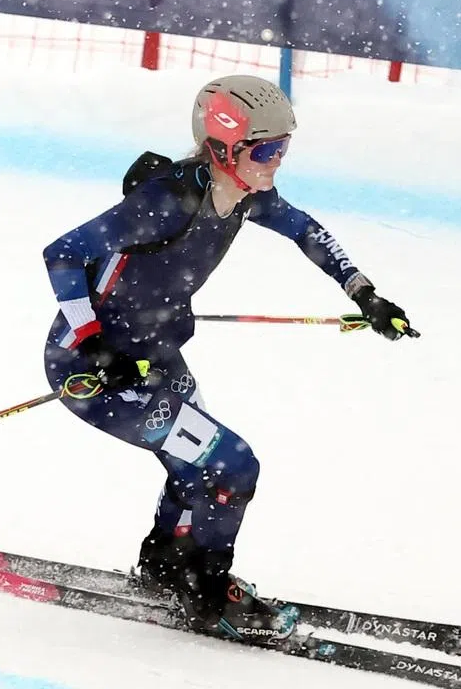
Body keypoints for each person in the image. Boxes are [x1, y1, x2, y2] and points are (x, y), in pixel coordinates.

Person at [42, 74, 416, 642]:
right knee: (232, 464)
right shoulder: (166, 203)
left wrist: (364, 293)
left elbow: (307, 231)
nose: (277, 162)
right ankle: (206, 592)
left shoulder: (246, 196)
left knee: (195, 467)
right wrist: (93, 344)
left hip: (156, 356)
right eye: (266, 149)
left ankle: (169, 565)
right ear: (223, 148)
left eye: (283, 147)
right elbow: (63, 253)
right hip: (93, 370)